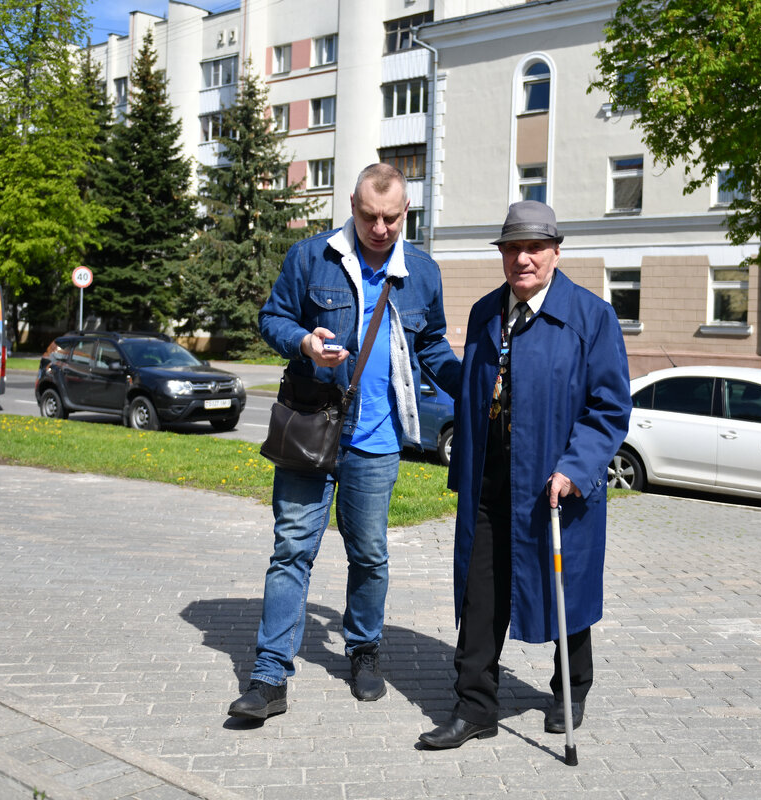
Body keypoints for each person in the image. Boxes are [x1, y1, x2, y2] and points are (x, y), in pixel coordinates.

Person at [228, 163, 460, 720]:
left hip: (377, 443)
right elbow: (272, 318)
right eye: (368, 215)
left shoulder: (422, 272)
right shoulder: (311, 257)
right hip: (312, 428)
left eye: (391, 217)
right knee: (291, 552)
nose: (379, 228)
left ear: (407, 213)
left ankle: (362, 651)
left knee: (370, 556)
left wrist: (474, 384)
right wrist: (304, 342)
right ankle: (268, 676)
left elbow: (431, 350)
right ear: (352, 205)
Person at [419, 200, 632, 750]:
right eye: (513, 248)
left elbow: (608, 408)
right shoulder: (488, 312)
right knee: (479, 595)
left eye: (534, 247)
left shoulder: (591, 317)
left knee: (566, 591)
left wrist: (576, 467)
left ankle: (572, 688)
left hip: (556, 483)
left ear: (556, 252)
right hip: (490, 482)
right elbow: (474, 388)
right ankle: (475, 707)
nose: (523, 259)